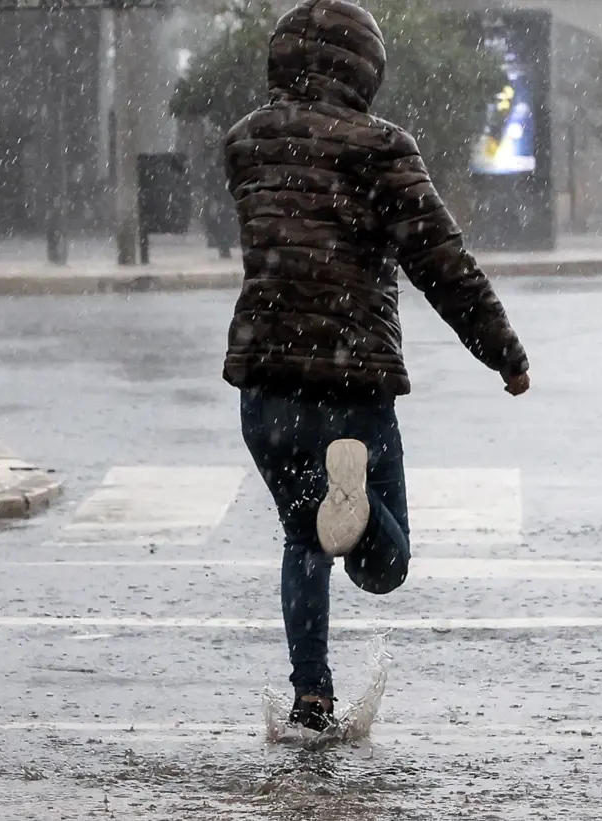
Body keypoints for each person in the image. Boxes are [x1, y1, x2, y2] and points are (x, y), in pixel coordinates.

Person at [221, 0, 531, 732]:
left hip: (267, 378)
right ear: (367, 71)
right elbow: (441, 262)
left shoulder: (244, 144)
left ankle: (312, 697)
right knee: (381, 567)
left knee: (302, 539)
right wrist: (504, 354)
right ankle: (355, 515)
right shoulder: (380, 147)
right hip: (350, 380)